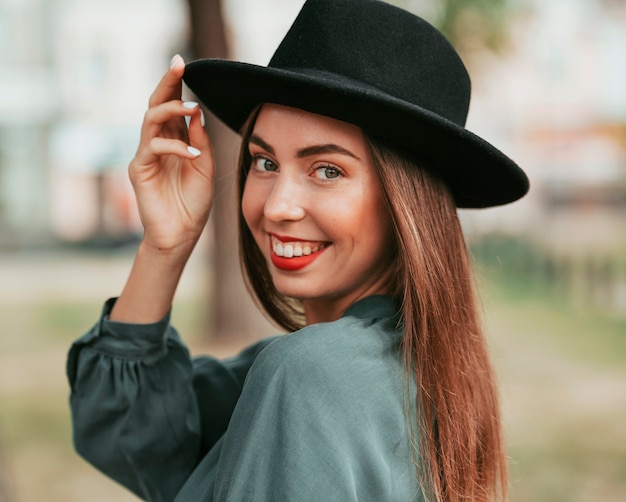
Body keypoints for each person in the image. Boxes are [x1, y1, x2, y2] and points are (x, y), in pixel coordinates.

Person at [66, 0, 529, 501]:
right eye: (265, 162)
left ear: (406, 204)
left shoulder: (308, 375)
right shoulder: (425, 369)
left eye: (327, 170)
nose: (278, 206)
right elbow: (127, 436)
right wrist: (165, 244)